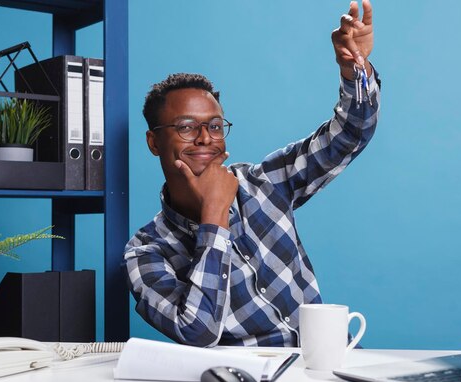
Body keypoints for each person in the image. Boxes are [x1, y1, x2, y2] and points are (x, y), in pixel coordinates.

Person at [123, 0, 380, 347]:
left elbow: (349, 135)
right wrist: (214, 217)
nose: (204, 138)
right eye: (186, 127)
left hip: (336, 364)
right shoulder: (146, 253)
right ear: (154, 142)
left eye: (215, 126)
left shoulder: (264, 183)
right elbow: (196, 331)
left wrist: (355, 71)